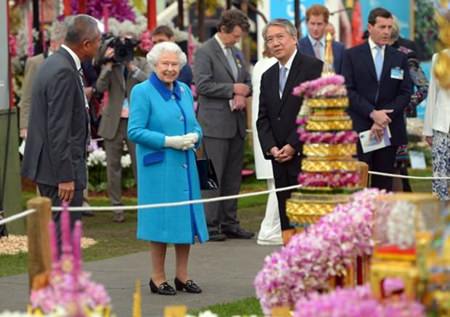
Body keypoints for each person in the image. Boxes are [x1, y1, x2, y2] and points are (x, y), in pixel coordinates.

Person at [128, 42, 208, 295]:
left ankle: (182, 276)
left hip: (185, 167)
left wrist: (195, 136)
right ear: (154, 64)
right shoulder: (142, 92)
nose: (170, 69)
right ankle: (157, 277)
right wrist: (168, 141)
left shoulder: (184, 90)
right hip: (159, 169)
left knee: (186, 220)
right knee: (160, 223)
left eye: (175, 64)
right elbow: (135, 131)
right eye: (165, 64)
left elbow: (195, 124)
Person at [21, 14, 101, 246]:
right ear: (86, 44)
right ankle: (59, 283)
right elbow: (59, 129)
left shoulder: (56, 62)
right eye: (97, 40)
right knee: (63, 235)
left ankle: (57, 281)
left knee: (58, 232)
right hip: (59, 172)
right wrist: (65, 176)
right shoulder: (63, 70)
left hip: (51, 167)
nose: (100, 45)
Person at [256, 19, 323, 245]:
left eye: (279, 37)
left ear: (294, 38)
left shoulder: (314, 67)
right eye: (269, 39)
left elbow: (315, 111)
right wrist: (271, 147)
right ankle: (291, 265)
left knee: (308, 217)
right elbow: (263, 118)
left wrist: (294, 144)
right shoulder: (268, 75)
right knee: (287, 219)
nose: (275, 43)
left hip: (306, 156)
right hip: (279, 158)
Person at [193, 9, 253, 241]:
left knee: (231, 177)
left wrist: (244, 90)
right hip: (213, 125)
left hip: (236, 124)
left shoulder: (237, 53)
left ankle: (230, 222)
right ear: (223, 30)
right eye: (235, 36)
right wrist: (232, 89)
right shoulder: (204, 51)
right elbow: (202, 85)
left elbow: (246, 80)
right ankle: (210, 224)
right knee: (210, 176)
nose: (237, 40)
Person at [342, 7, 412, 191]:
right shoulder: (352, 55)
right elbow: (348, 90)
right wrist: (372, 114)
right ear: (370, 27)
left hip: (388, 129)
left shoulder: (399, 58)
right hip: (361, 128)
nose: (387, 32)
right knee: (359, 185)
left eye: (389, 27)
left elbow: (405, 92)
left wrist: (383, 119)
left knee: (384, 187)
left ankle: (381, 220)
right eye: (382, 27)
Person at [95, 28, 151, 222]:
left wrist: (132, 68)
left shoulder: (142, 63)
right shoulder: (112, 64)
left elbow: (152, 83)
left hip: (137, 122)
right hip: (114, 122)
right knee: (113, 167)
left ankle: (144, 205)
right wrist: (108, 66)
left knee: (140, 165)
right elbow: (99, 88)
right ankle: (116, 207)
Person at [389, 18, 429, 192]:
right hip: (372, 117)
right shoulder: (369, 54)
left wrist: (405, 106)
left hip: (397, 118)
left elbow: (423, 87)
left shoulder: (406, 55)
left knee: (396, 166)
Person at [251, 45, 282, 246]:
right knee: (276, 186)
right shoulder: (270, 67)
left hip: (265, 134)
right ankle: (268, 230)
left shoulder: (261, 64)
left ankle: (272, 229)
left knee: (275, 185)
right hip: (270, 134)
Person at [19, 21, 67, 139]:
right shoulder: (35, 63)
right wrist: (24, 127)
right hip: (41, 124)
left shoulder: (68, 63)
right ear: (53, 43)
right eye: (63, 45)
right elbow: (27, 97)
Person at [423, 50, 450, 201]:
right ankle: (440, 215)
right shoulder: (438, 58)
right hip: (442, 125)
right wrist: (428, 129)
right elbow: (432, 92)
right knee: (440, 175)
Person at [298, 4, 345, 74]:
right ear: (306, 23)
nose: (315, 28)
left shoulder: (339, 48)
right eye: (312, 24)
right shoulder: (298, 47)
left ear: (326, 24)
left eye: (319, 24)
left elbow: (343, 75)